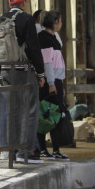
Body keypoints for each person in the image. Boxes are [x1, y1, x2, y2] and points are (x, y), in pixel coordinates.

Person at [0, 0, 46, 164]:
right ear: (23, 4)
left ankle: (9, 150)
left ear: (10, 4)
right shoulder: (26, 19)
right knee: (29, 110)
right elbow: (34, 48)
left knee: (11, 111)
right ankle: (25, 152)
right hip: (22, 70)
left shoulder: (0, 19)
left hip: (4, 70)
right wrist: (41, 73)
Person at [37, 10, 70, 161]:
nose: (61, 24)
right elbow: (47, 63)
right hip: (51, 82)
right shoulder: (45, 39)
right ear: (56, 21)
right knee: (49, 115)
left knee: (52, 114)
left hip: (56, 81)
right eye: (61, 20)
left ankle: (52, 148)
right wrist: (51, 83)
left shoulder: (52, 38)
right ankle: (46, 148)